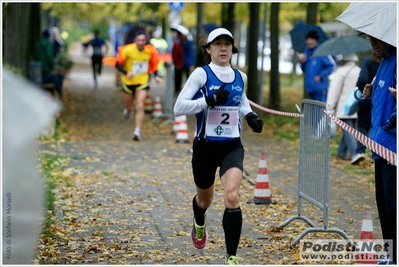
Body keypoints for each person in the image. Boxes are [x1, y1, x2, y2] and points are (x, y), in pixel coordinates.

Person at [173, 28, 264, 265]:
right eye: (217, 44)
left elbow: (241, 102)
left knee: (232, 196)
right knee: (205, 201)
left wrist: (251, 116)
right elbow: (179, 107)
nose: (223, 48)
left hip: (231, 146)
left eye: (227, 44)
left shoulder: (240, 77)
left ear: (233, 49)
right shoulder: (201, 75)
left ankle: (231, 256)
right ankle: (199, 221)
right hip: (204, 148)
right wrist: (207, 101)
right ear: (208, 49)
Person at [362, 35, 396, 264]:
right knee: (383, 203)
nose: (373, 43)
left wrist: (391, 122)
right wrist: (366, 93)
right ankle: (389, 252)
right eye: (369, 39)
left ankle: (395, 257)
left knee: (394, 205)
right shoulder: (383, 62)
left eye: (377, 39)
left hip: (393, 147)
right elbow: (380, 99)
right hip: (378, 144)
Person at [115, 30, 163, 141]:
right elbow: (117, 64)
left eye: (143, 40)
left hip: (142, 81)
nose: (141, 42)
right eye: (138, 40)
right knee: (130, 107)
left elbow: (153, 64)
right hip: (128, 81)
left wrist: (157, 76)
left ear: (146, 41)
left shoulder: (149, 51)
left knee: (140, 105)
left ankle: (137, 131)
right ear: (135, 40)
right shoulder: (127, 50)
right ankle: (128, 110)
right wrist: (127, 73)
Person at [326, 53, 361, 162]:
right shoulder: (359, 70)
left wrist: (329, 106)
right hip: (356, 105)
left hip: (343, 106)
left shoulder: (341, 71)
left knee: (348, 129)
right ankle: (341, 153)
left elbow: (334, 90)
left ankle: (355, 153)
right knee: (349, 128)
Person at [351, 52, 381, 164]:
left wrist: (365, 89)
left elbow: (362, 79)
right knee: (377, 125)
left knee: (363, 126)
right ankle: (377, 152)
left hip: (367, 99)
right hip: (383, 100)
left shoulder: (367, 61)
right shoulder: (388, 62)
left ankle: (360, 151)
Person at [298, 30, 336, 102]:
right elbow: (304, 70)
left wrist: (321, 77)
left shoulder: (322, 51)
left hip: (320, 88)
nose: (309, 42)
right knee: (312, 112)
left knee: (320, 111)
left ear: (316, 40)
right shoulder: (306, 51)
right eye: (308, 39)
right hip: (310, 88)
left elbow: (332, 65)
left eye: (312, 39)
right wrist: (302, 62)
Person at [33, 29, 64, 97]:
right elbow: (49, 56)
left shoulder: (38, 44)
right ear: (48, 36)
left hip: (37, 69)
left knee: (41, 84)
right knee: (49, 84)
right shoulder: (48, 44)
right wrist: (53, 64)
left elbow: (35, 56)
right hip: (46, 69)